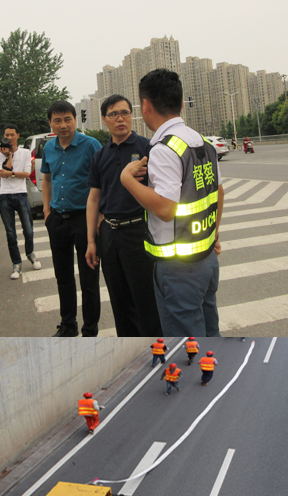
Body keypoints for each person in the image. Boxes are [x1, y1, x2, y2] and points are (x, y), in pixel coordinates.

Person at [120, 69, 224, 337]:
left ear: (145, 105)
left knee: (186, 346)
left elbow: (166, 209)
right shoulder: (203, 143)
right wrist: (214, 235)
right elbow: (218, 191)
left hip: (179, 268)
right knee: (210, 334)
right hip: (206, 259)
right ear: (180, 104)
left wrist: (127, 180)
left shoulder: (165, 149)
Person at [86, 94, 162, 337]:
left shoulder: (148, 148)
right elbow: (94, 198)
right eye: (113, 114)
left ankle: (155, 349)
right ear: (104, 119)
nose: (120, 119)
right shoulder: (100, 155)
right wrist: (91, 241)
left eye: (125, 113)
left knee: (146, 300)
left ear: (132, 115)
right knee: (119, 302)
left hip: (139, 232)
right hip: (109, 234)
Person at [41, 101, 102, 336]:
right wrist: (47, 210)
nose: (63, 125)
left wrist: (100, 216)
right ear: (50, 123)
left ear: (75, 120)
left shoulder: (91, 145)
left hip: (84, 220)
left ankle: (90, 329)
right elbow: (47, 179)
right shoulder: (49, 148)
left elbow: (104, 181)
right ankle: (68, 325)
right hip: (57, 219)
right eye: (57, 120)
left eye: (68, 119)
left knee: (89, 278)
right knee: (63, 276)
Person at [0, 125, 41, 280]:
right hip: (5, 196)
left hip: (21, 194)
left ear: (18, 135)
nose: (9, 138)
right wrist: (9, 156)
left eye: (12, 135)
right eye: (6, 135)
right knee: (10, 233)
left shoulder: (26, 152)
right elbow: (3, 174)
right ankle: (16, 264)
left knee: (28, 230)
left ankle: (30, 254)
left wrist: (11, 173)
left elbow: (26, 174)